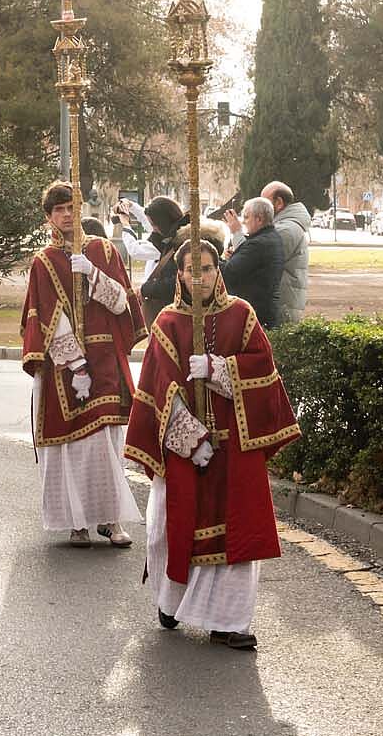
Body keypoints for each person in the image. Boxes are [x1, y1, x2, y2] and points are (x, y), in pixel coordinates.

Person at [124, 235, 299, 647]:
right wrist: (189, 438)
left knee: (234, 532)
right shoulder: (167, 322)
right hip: (185, 448)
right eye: (190, 269)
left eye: (206, 268)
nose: (198, 277)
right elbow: (158, 386)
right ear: (180, 274)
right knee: (169, 527)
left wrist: (221, 369)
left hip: (234, 448)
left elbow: (264, 370)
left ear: (217, 270)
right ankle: (171, 601)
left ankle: (229, 620)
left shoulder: (242, 314)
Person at [21, 180, 144, 548]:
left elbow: (122, 303)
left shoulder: (104, 250)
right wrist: (75, 365)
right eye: (60, 210)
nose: (68, 215)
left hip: (106, 356)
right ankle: (77, 523)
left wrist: (91, 271)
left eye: (72, 207)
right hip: (66, 365)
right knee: (73, 447)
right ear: (49, 218)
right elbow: (46, 315)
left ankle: (110, 518)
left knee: (106, 443)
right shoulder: (43, 261)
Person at [220, 197, 285, 329]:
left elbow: (229, 273)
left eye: (246, 217)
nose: (243, 222)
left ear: (259, 219)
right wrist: (236, 255)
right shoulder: (269, 237)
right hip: (262, 311)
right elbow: (247, 263)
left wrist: (210, 260)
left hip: (256, 314)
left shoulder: (259, 243)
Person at [261, 181, 311, 326]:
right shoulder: (286, 225)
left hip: (282, 308)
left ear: (279, 203)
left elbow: (257, 258)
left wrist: (237, 235)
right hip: (284, 304)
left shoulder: (286, 229)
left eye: (265, 203)